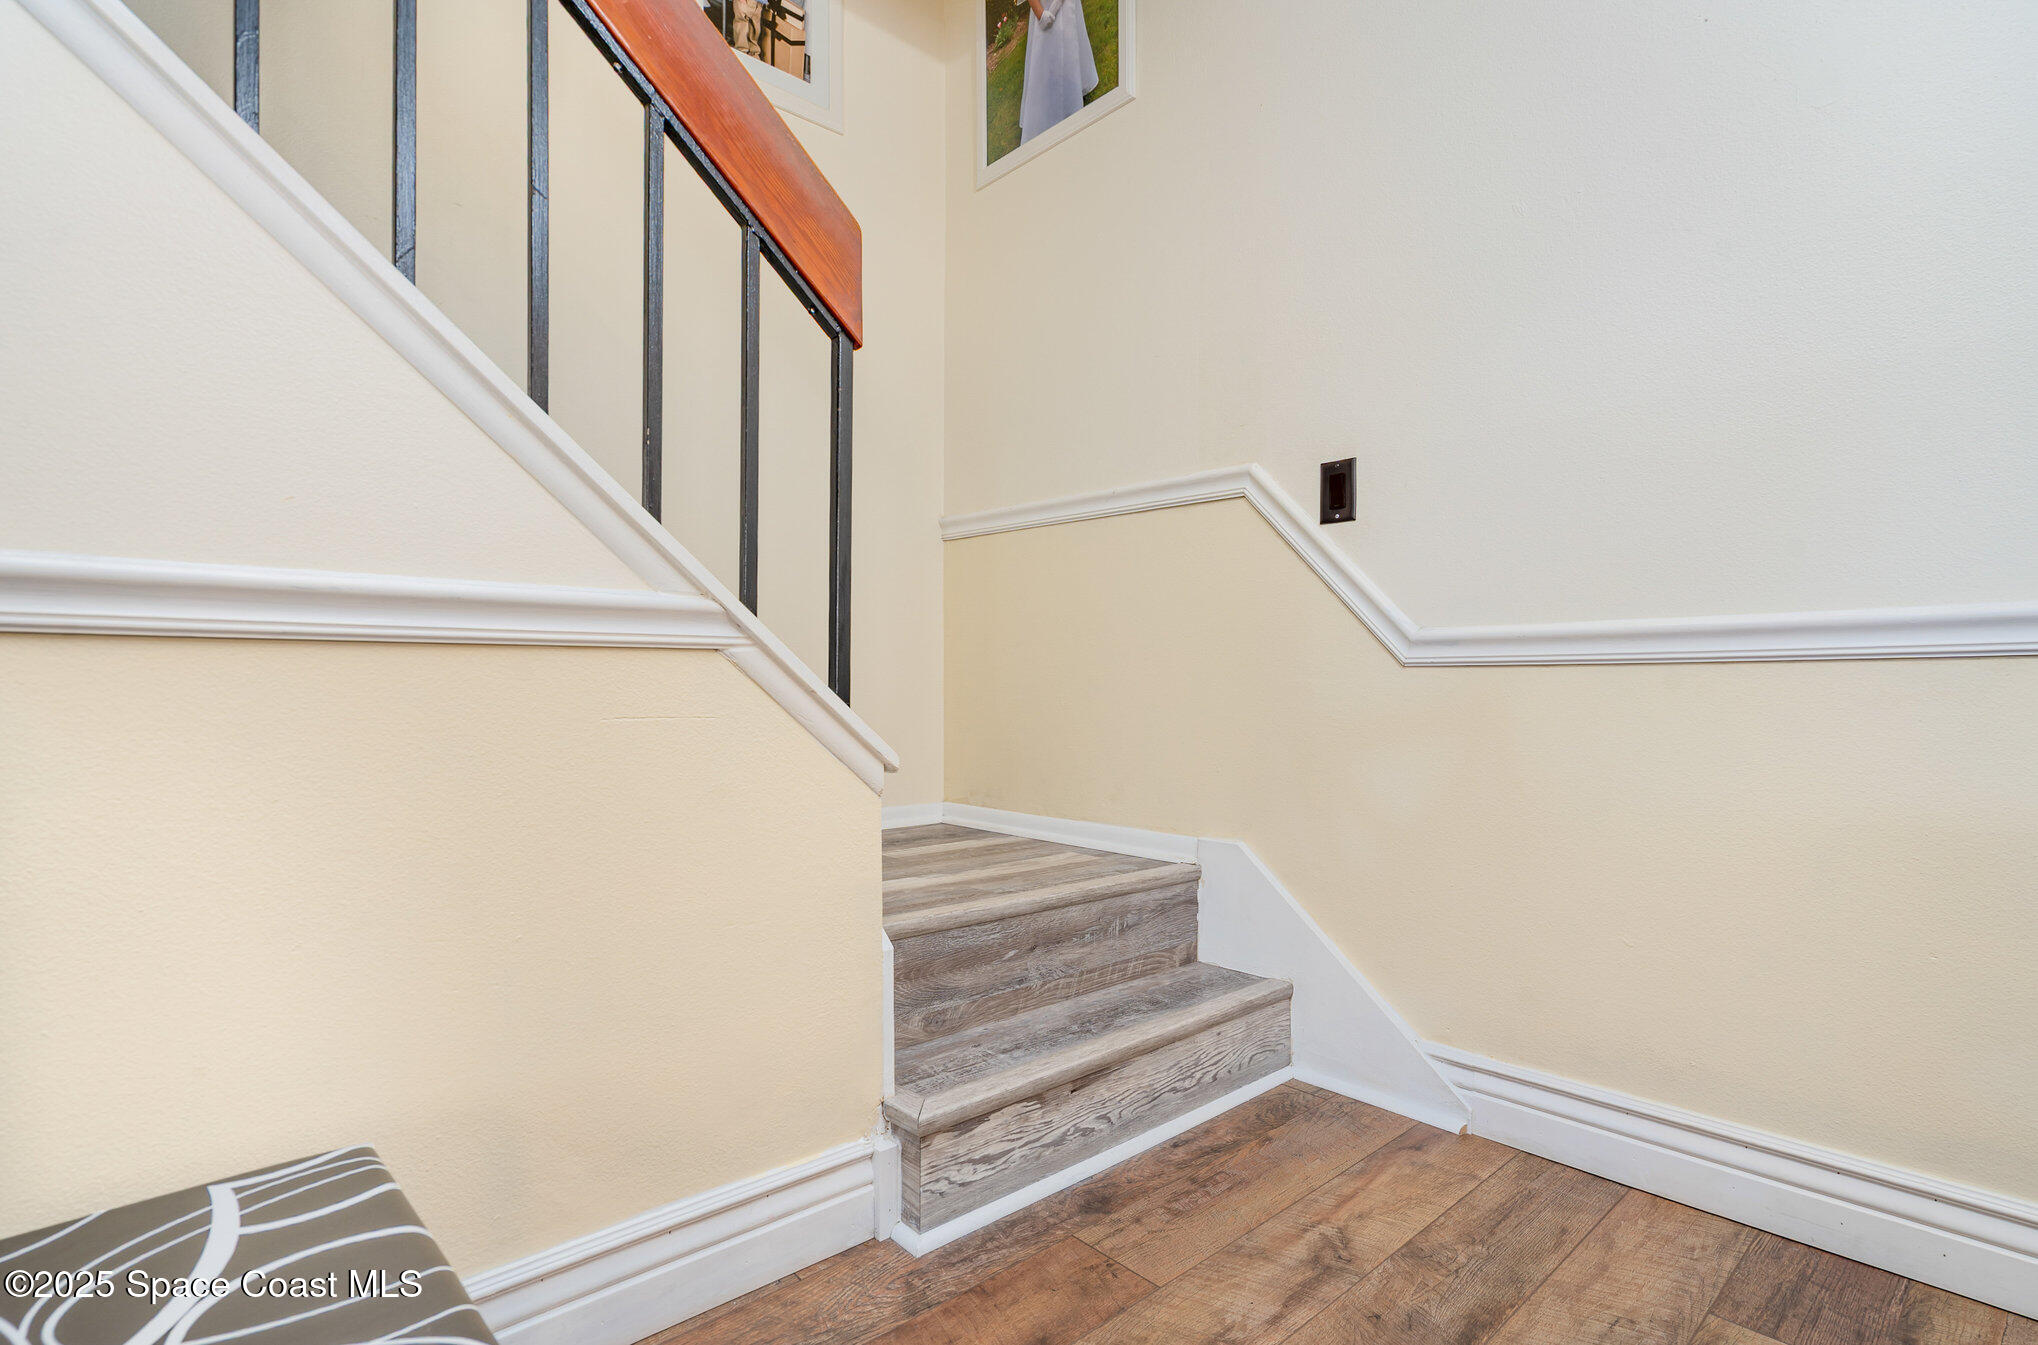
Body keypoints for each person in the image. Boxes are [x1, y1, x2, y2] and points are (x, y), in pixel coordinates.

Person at [1016, 0, 1097, 145]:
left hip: (1066, 6)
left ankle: (1071, 93)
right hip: (1046, 9)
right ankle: (1047, 106)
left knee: (1069, 43)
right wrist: (1040, 13)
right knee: (1047, 52)